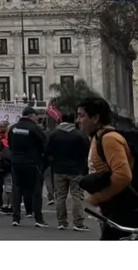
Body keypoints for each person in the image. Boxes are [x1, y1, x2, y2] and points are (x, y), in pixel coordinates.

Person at [77, 97, 137, 240]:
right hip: (112, 209)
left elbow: (123, 175)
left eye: (81, 116)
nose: (78, 120)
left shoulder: (109, 138)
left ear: (96, 118)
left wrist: (98, 197)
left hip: (124, 211)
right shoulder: (96, 137)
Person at [45, 110, 90, 231]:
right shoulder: (79, 135)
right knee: (77, 196)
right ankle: (78, 223)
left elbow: (48, 152)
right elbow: (87, 151)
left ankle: (61, 222)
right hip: (76, 170)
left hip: (58, 169)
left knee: (60, 196)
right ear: (73, 120)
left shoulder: (54, 134)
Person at [8, 106, 49, 228]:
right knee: (36, 190)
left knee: (17, 189)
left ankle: (16, 218)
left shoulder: (13, 128)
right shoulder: (34, 128)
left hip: (16, 162)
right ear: (31, 116)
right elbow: (43, 143)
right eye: (36, 116)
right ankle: (38, 219)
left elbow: (10, 144)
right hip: (32, 163)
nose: (37, 118)